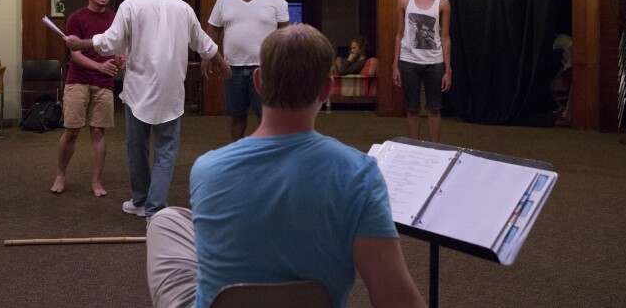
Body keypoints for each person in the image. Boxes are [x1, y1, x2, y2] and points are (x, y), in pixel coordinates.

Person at [146, 25, 427, 308]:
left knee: (165, 220)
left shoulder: (207, 169)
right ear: (327, 89)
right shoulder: (360, 174)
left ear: (258, 82)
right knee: (176, 219)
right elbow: (397, 299)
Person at [65, 0, 230, 220]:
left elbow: (109, 42)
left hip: (138, 90)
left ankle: (142, 201)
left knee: (136, 147)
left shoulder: (131, 4)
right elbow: (204, 44)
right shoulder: (183, 8)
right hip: (171, 91)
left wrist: (80, 44)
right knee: (166, 151)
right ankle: (154, 208)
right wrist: (222, 64)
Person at [51, 0, 122, 197]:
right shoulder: (76, 18)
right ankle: (61, 174)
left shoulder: (115, 18)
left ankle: (96, 182)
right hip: (78, 80)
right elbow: (75, 54)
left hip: (103, 82)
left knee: (98, 131)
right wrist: (99, 66)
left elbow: (118, 47)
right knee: (71, 131)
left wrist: (121, 58)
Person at [206, 0, 288, 141]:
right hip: (232, 67)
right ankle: (237, 151)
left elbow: (284, 34)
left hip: (264, 67)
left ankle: (266, 151)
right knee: (237, 115)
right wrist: (207, 55)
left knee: (264, 115)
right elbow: (213, 29)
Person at [392, 0, 452, 143]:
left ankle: (434, 148)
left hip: (434, 61)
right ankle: (414, 147)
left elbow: (445, 37)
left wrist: (448, 69)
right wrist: (395, 65)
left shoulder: (442, 3)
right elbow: (399, 33)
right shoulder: (404, 1)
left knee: (434, 107)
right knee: (412, 107)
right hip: (409, 60)